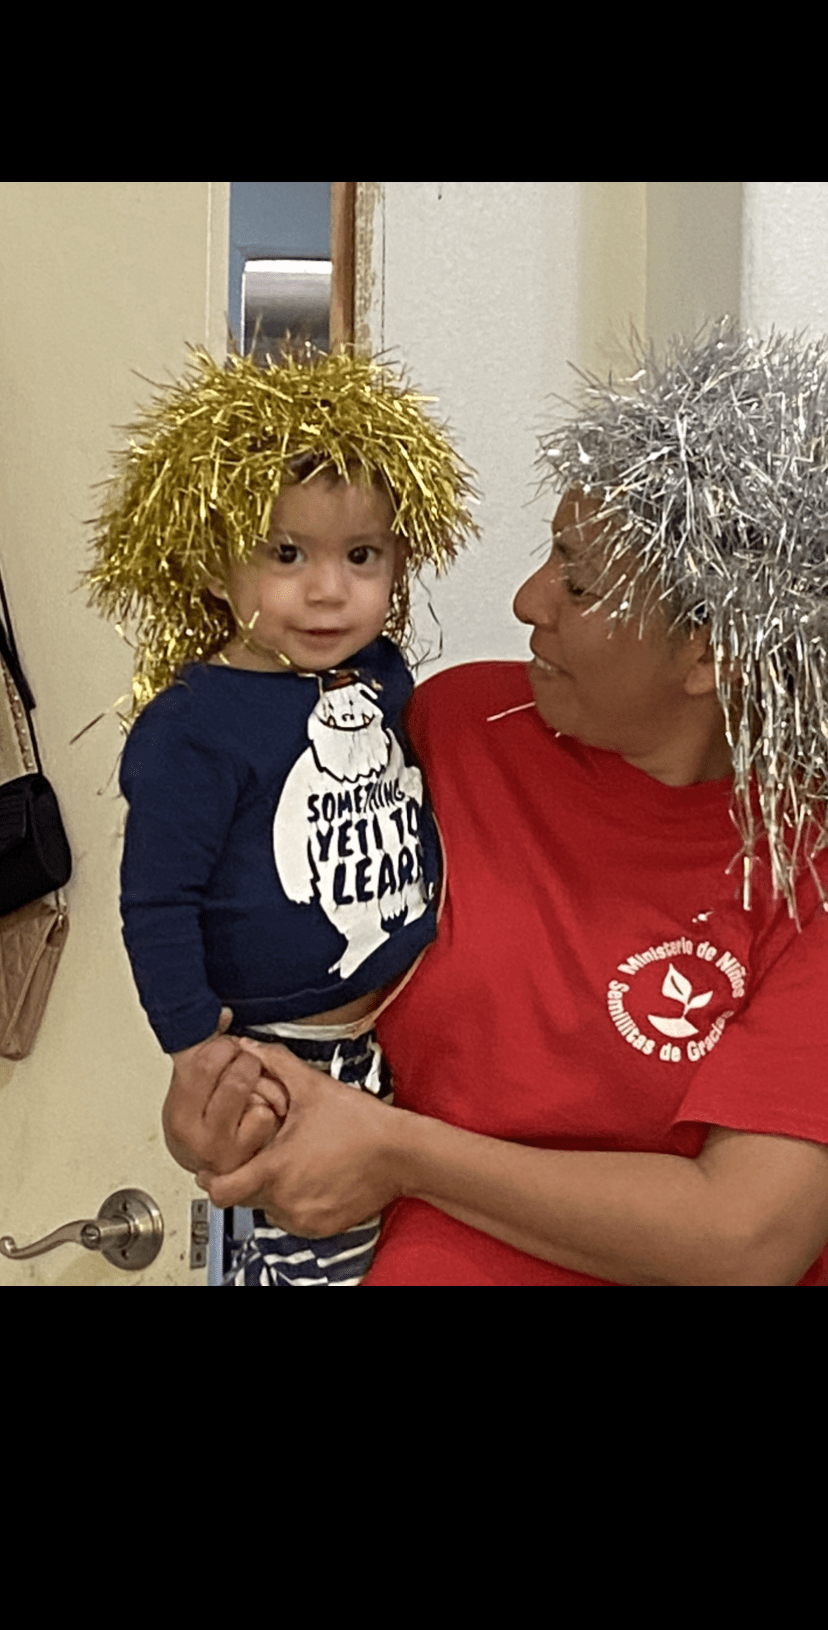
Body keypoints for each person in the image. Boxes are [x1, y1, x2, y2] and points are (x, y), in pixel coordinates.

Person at [161, 321, 828, 1287]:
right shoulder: (454, 727)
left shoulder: (806, 865)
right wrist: (222, 1102)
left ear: (709, 654)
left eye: (582, 582)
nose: (526, 599)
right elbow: (302, 995)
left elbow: (745, 1237)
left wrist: (401, 1152)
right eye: (552, 550)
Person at [85, 342, 476, 1285]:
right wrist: (193, 1046)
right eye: (286, 554)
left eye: (361, 556)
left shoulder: (380, 675)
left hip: (405, 1024)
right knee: (318, 1265)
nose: (328, 589)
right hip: (285, 1054)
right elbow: (158, 901)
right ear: (217, 567)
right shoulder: (194, 726)